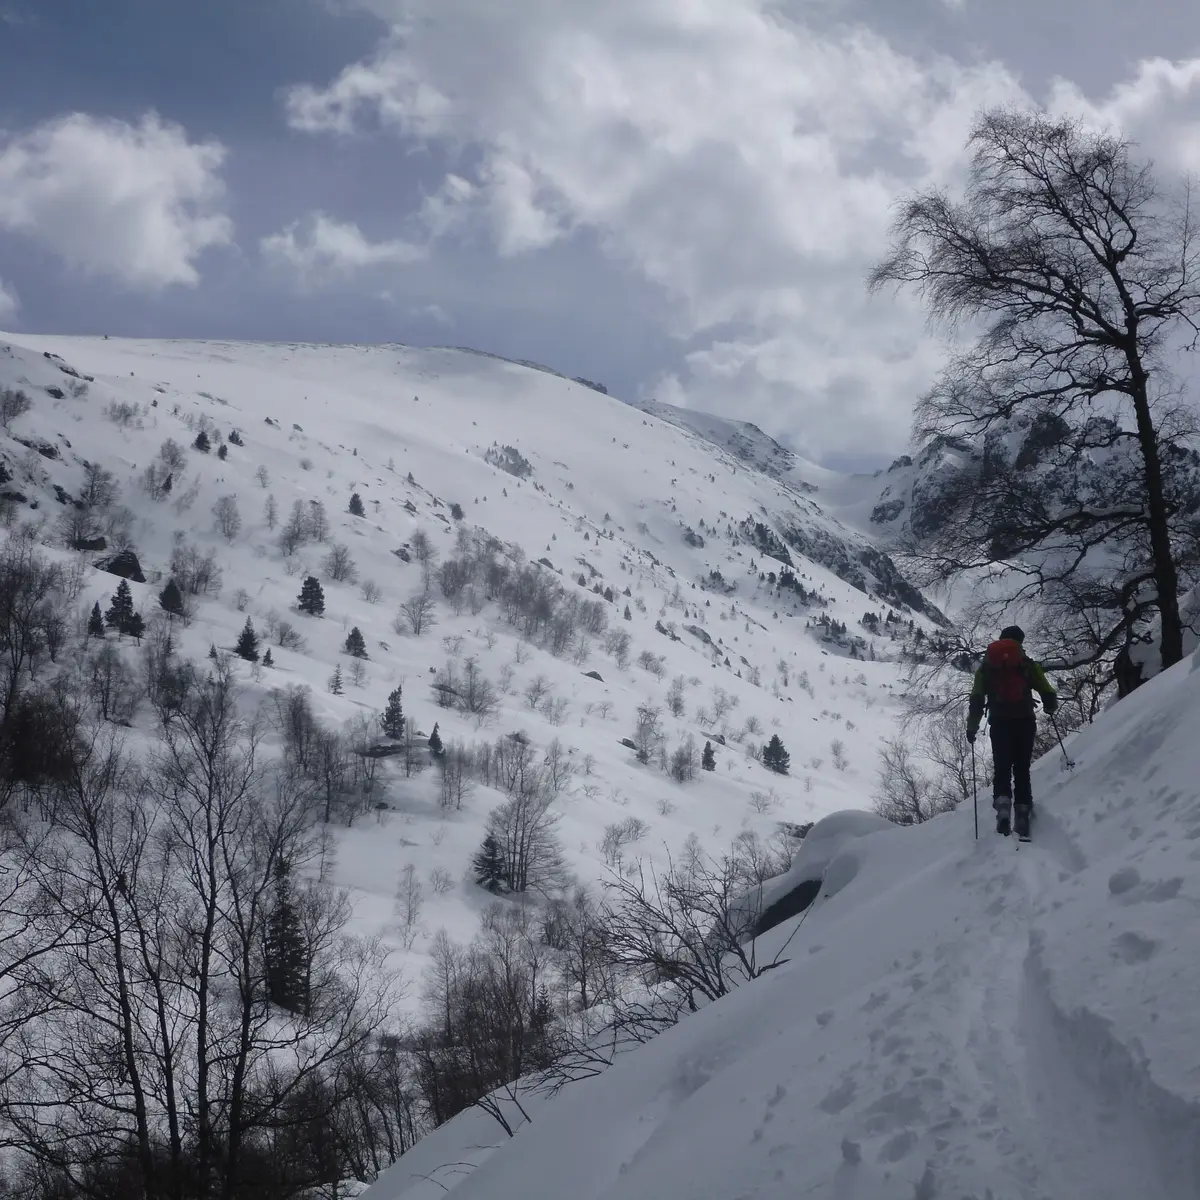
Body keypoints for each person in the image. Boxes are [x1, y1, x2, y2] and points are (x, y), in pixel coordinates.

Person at [966, 625, 1057, 838]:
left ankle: (1004, 808)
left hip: (999, 721)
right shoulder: (1026, 663)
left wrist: (972, 726)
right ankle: (1023, 812)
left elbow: (977, 698)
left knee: (1002, 768)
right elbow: (1047, 690)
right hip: (1024, 719)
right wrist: (1050, 707)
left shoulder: (987, 667)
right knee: (1022, 768)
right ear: (1020, 641)